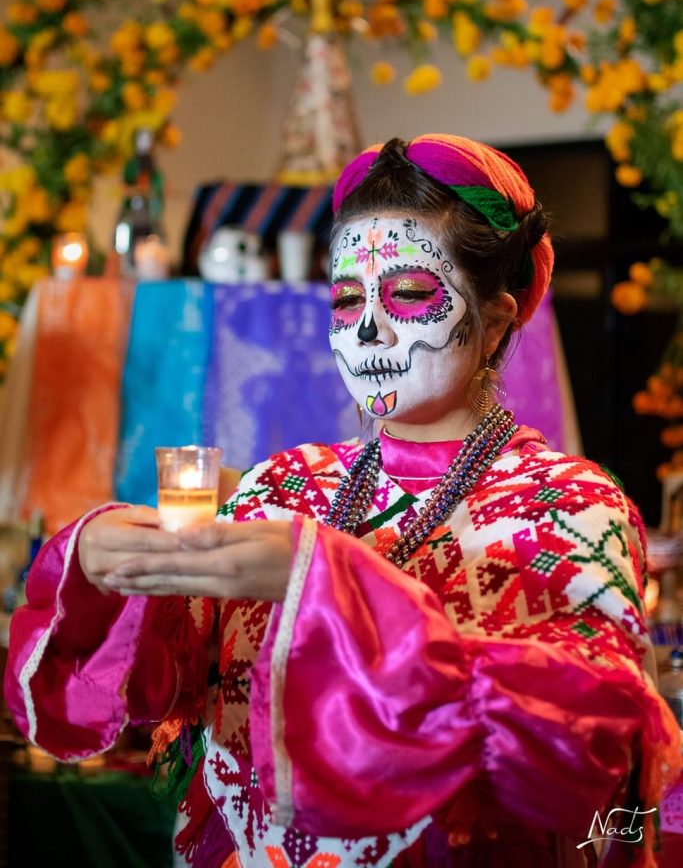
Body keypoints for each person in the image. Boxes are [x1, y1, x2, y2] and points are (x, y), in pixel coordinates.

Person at [5, 134, 680, 868]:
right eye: (348, 298)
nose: (366, 328)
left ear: (492, 323)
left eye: (411, 295)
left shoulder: (567, 503)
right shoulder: (283, 486)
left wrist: (330, 583)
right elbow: (152, 687)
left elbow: (593, 745)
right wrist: (108, 571)